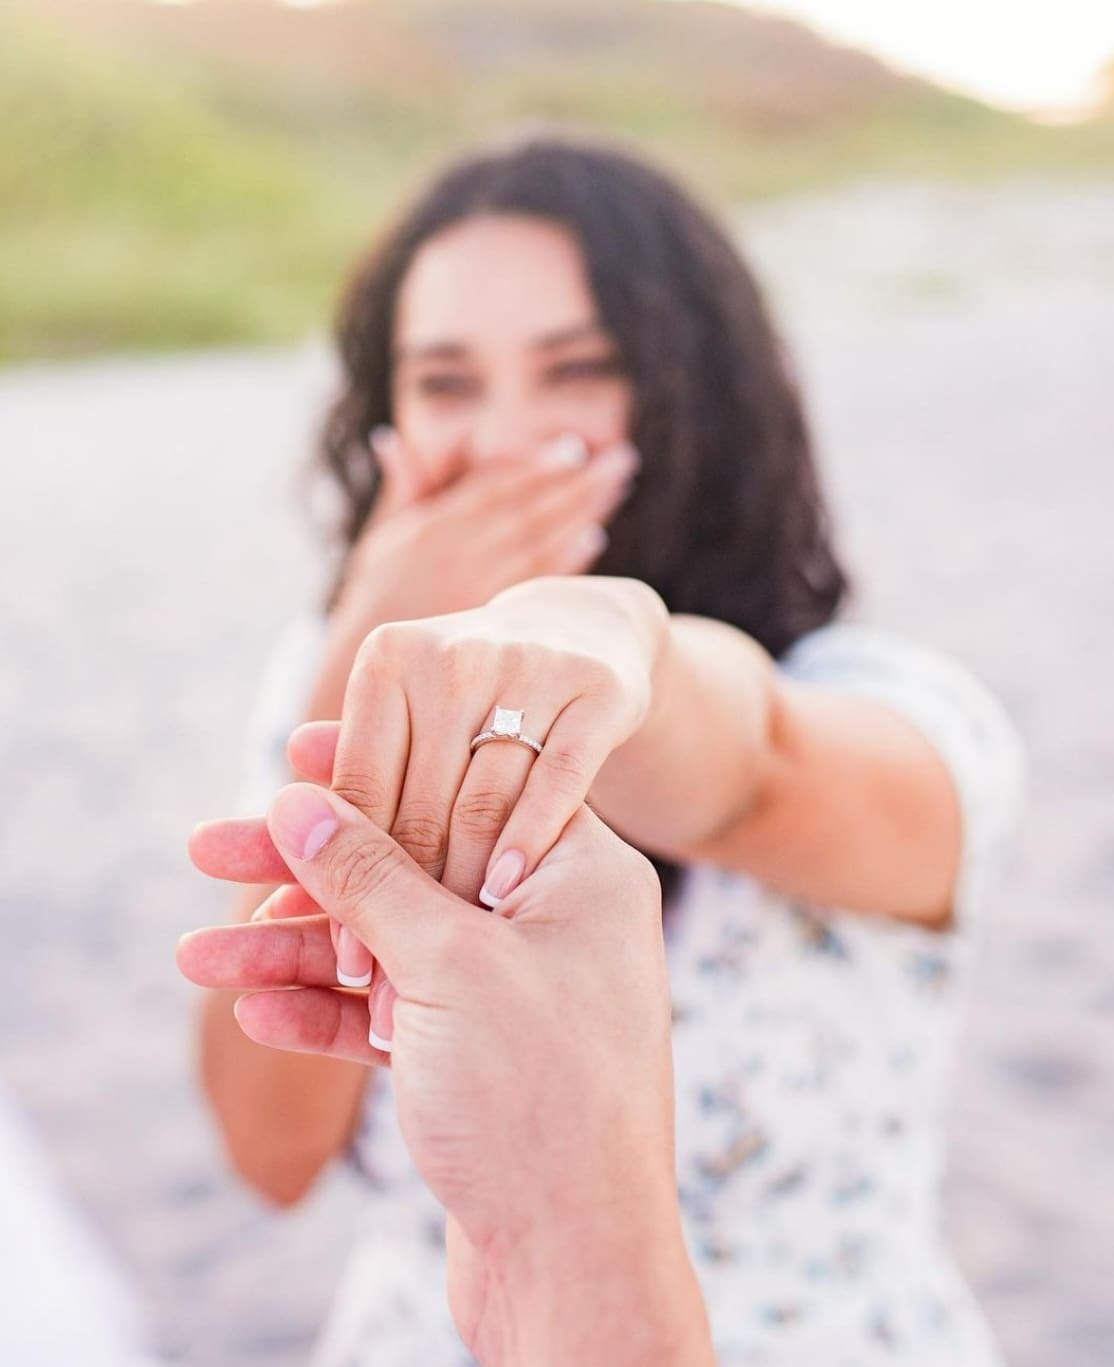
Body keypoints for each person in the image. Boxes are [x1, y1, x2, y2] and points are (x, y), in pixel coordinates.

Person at [188, 128, 1023, 1364]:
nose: (514, 438)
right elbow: (268, 1152)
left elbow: (743, 765)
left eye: (580, 371)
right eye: (447, 384)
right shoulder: (339, 677)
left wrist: (607, 636)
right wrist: (359, 645)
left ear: (699, 392)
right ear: (385, 420)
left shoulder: (890, 709)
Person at [180, 791, 715, 1366]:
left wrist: (557, 1240)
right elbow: (270, 1158)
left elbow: (754, 771)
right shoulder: (351, 727)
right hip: (436, 1322)